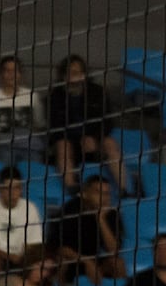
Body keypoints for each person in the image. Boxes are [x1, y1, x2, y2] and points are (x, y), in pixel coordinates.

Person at [48, 54, 124, 193]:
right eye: (69, 73)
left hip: (94, 140)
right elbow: (55, 127)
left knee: (110, 144)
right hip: (69, 141)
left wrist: (94, 138)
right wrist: (76, 138)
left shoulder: (97, 92)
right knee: (62, 146)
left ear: (84, 74)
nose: (73, 76)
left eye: (76, 72)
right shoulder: (56, 95)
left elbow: (107, 121)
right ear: (63, 75)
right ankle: (71, 187)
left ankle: (124, 190)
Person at [47, 174, 125, 285]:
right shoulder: (71, 209)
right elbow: (60, 248)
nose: (104, 198)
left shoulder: (112, 214)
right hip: (71, 258)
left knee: (118, 263)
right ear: (85, 194)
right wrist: (86, 261)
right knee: (62, 261)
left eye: (107, 194)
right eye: (98, 192)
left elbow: (114, 250)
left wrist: (101, 219)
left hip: (94, 259)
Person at [0, 165, 44, 274]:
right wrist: (10, 256)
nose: (12, 193)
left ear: (21, 189)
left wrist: (22, 257)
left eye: (16, 188)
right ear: (0, 189)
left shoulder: (30, 208)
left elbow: (33, 243)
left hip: (20, 258)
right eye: (7, 188)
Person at [0, 54, 46, 161]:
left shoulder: (32, 96)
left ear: (20, 74)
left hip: (28, 144)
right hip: (1, 145)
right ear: (1, 74)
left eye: (15, 71)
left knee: (34, 164)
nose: (11, 75)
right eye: (7, 71)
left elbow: (39, 124)